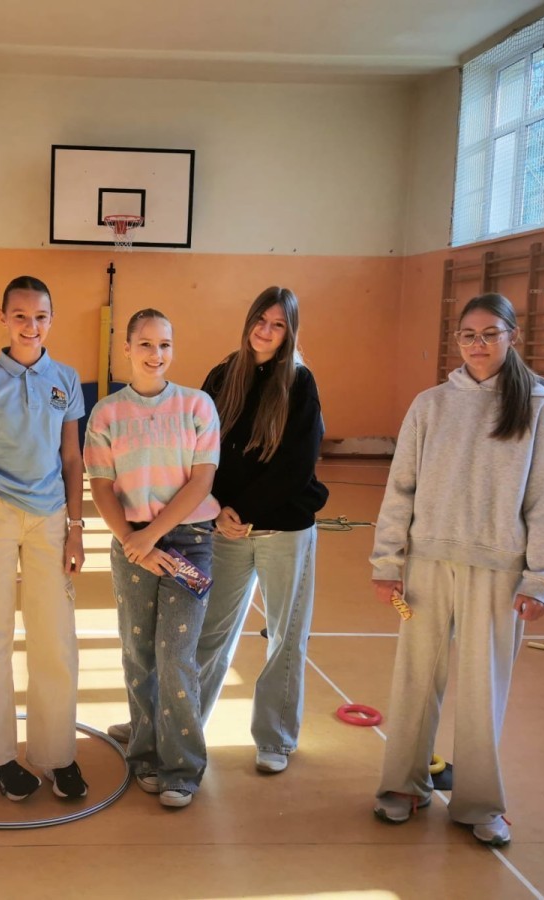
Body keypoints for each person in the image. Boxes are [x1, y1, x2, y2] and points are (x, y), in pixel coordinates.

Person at [370, 292, 544, 847]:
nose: (478, 345)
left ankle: (479, 803)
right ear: (457, 341)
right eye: (468, 335)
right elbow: (400, 488)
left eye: (490, 334)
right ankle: (403, 786)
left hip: (498, 573)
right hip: (427, 566)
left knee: (484, 693)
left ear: (512, 336)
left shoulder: (538, 411)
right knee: (415, 680)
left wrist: (540, 579)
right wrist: (387, 560)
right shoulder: (430, 405)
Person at [0, 275, 88, 802]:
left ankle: (56, 754)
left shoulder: (66, 379)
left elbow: (72, 459)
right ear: (3, 318)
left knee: (56, 639)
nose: (31, 326)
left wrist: (76, 529)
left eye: (41, 316)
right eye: (21, 316)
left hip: (50, 517)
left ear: (52, 319)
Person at [85, 308, 221, 809]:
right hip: (132, 544)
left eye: (164, 345)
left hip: (188, 541)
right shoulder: (106, 414)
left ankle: (182, 767)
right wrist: (131, 540)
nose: (155, 354)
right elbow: (101, 486)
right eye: (145, 344)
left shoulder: (197, 405)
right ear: (127, 348)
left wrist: (152, 539)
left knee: (176, 654)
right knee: (138, 651)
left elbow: (202, 481)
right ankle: (144, 753)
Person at [195, 286, 328, 774]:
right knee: (209, 633)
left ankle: (275, 738)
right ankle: (183, 724)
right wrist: (215, 509)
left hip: (283, 531)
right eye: (260, 320)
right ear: (249, 320)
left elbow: (297, 464)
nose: (266, 331)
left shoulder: (300, 383)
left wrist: (243, 509)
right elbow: (200, 447)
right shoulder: (222, 375)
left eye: (278, 325)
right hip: (225, 528)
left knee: (285, 637)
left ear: (289, 332)